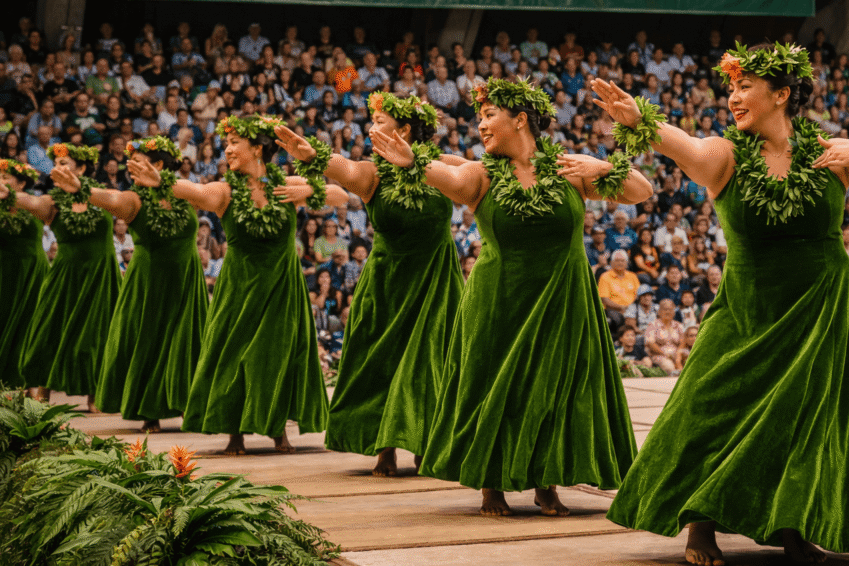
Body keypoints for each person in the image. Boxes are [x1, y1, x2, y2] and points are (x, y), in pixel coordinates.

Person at [600, 42, 849, 563]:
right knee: (707, 408)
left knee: (807, 416)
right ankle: (700, 523)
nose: (733, 97)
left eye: (744, 86)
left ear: (781, 94)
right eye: (731, 86)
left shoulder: (829, 152)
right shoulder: (725, 155)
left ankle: (793, 524)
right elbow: (684, 146)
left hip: (821, 306)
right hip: (747, 304)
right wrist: (642, 121)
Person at [371, 76, 652, 517]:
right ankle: (491, 485)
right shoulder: (479, 173)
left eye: (488, 115)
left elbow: (640, 191)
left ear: (520, 120)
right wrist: (413, 163)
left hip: (564, 300)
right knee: (494, 387)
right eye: (478, 117)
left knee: (558, 389)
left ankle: (546, 479)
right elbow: (449, 177)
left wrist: (595, 166)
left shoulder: (568, 170)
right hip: (497, 300)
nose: (479, 125)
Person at [129, 115, 348, 454]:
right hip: (240, 285)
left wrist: (309, 188)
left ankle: (277, 428)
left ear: (257, 149)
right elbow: (199, 192)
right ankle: (234, 430)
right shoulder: (225, 190)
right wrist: (161, 181)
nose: (227, 150)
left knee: (278, 354)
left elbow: (341, 197)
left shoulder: (284, 185)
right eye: (226, 144)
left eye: (234, 143)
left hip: (282, 286)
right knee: (234, 353)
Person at [274, 92, 465, 477]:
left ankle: (428, 441)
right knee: (382, 363)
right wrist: (314, 157)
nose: (370, 128)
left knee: (432, 360)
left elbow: (486, 176)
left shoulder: (446, 166)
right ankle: (385, 446)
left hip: (436, 279)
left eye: (379, 122)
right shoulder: (372, 173)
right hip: (386, 282)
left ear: (406, 130)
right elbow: (342, 170)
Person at [50, 136, 207, 433]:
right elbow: (111, 199)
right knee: (147, 338)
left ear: (159, 164)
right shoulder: (134, 199)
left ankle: (189, 403)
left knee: (187, 340)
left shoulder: (184, 193)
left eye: (137, 162)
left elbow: (209, 194)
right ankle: (149, 410)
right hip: (148, 281)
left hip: (186, 279)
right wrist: (82, 188)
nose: (129, 168)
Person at [0, 144, 121, 408]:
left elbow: (120, 202)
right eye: (55, 165)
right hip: (65, 274)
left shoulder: (103, 195)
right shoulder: (52, 201)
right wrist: (12, 195)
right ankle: (41, 395)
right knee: (49, 332)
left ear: (81, 168)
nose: (57, 169)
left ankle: (95, 394)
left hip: (100, 275)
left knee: (97, 335)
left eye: (64, 164)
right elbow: (33, 202)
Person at [0, 160, 49, 385]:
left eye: (5, 178)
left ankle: (31, 381)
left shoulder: (36, 204)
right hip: (1, 274)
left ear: (21, 184)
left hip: (33, 273)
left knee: (32, 326)